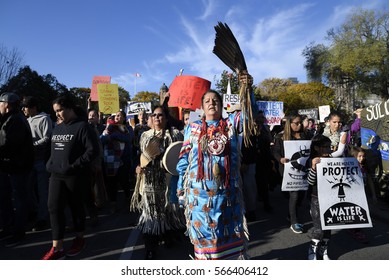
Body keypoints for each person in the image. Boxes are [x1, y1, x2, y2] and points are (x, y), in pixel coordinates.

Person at [176, 74, 257, 260]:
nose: (211, 103)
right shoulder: (193, 128)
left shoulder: (231, 125)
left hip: (228, 194)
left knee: (228, 236)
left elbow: (250, 112)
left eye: (215, 100)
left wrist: (248, 89)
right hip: (199, 198)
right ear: (202, 107)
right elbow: (184, 157)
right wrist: (181, 186)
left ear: (221, 105)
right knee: (206, 243)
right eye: (207, 101)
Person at [41, 94, 99, 260]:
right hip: (55, 175)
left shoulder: (83, 126)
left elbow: (92, 151)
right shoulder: (58, 127)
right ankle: (57, 248)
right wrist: (50, 163)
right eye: (55, 111)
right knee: (53, 208)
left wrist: (74, 165)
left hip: (75, 176)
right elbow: (52, 150)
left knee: (76, 208)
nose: (57, 114)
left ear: (70, 108)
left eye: (60, 110)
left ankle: (79, 238)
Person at [130, 106, 184, 259]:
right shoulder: (145, 135)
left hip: (168, 180)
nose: (157, 118)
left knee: (168, 210)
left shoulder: (174, 135)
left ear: (166, 118)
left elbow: (180, 155)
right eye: (154, 115)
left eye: (160, 115)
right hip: (150, 180)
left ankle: (168, 236)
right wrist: (138, 167)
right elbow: (140, 155)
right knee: (151, 213)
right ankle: (150, 246)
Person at [0, 92, 34, 247]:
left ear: (6, 104)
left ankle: (18, 231)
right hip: (8, 166)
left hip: (17, 167)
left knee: (19, 200)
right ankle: (9, 227)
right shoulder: (9, 119)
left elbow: (8, 144)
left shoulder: (16, 120)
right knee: (5, 198)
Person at [21, 96, 53, 232]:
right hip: (29, 161)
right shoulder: (26, 120)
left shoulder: (44, 119)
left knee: (42, 191)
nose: (23, 109)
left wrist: (33, 145)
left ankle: (42, 218)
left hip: (41, 160)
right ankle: (34, 211)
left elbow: (47, 137)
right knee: (27, 190)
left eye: (26, 106)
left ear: (33, 107)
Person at [273, 113, 308, 234]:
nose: (299, 125)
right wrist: (280, 159)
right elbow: (275, 152)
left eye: (300, 123)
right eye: (296, 123)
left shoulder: (305, 134)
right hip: (288, 170)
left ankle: (291, 213)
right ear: (290, 124)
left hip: (303, 170)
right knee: (294, 194)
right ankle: (294, 221)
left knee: (301, 195)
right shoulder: (281, 137)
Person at [100, 111, 134, 213]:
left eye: (119, 115)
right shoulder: (108, 128)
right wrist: (108, 131)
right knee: (112, 183)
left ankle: (128, 199)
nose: (117, 117)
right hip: (111, 161)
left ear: (124, 118)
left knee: (124, 181)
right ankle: (113, 204)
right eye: (115, 116)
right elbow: (101, 140)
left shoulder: (127, 129)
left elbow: (128, 138)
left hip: (123, 160)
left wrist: (112, 136)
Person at [306, 134, 333, 260]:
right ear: (317, 148)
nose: (329, 149)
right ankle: (312, 251)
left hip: (331, 198)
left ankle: (324, 250)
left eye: (330, 147)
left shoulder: (332, 159)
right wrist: (313, 167)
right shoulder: (311, 160)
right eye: (325, 147)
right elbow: (310, 182)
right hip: (316, 198)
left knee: (328, 228)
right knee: (319, 228)